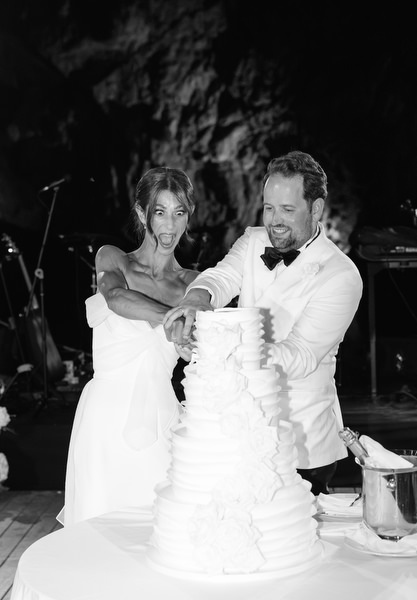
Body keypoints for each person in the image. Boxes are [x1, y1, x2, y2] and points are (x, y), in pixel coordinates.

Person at [164, 150, 363, 495]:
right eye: (269, 208)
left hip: (302, 438)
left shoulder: (341, 275)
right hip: (242, 423)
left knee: (289, 537)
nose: (275, 220)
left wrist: (218, 348)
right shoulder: (255, 240)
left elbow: (299, 355)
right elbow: (222, 277)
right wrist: (197, 301)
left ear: (316, 209)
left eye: (288, 209)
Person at [59, 166, 198, 526]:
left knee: (162, 527)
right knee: (99, 530)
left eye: (179, 213)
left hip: (161, 418)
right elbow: (118, 298)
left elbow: (205, 344)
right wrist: (173, 317)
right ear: (142, 214)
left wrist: (196, 342)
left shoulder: (194, 284)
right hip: (105, 418)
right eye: (160, 212)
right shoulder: (113, 258)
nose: (169, 225)